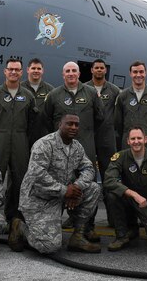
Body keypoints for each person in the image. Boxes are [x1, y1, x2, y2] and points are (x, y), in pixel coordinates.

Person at [9, 114, 101, 254]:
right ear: (60, 125)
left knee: (93, 188)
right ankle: (20, 227)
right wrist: (65, 191)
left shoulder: (77, 147)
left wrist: (77, 187)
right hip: (39, 198)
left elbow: (88, 168)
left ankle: (78, 236)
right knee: (49, 246)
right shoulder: (44, 144)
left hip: (63, 195)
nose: (73, 127)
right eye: (69, 124)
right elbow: (37, 175)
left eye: (76, 125)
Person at [43, 61, 107, 239]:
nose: (71, 74)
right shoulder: (54, 95)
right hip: (60, 149)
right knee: (60, 182)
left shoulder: (91, 93)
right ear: (63, 74)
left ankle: (88, 226)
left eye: (74, 71)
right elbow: (46, 119)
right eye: (67, 71)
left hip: (85, 147)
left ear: (79, 74)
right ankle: (57, 221)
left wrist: (86, 132)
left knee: (88, 184)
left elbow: (100, 117)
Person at [0, 58, 38, 221]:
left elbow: (33, 122)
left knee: (20, 180)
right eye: (10, 69)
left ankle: (15, 219)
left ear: (21, 72)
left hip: (20, 142)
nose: (13, 72)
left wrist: (24, 139)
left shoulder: (28, 96)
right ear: (5, 71)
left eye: (16, 70)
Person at [103, 127, 147, 251]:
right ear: (128, 141)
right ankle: (122, 235)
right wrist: (133, 194)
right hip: (129, 199)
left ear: (145, 139)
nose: (136, 141)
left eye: (139, 138)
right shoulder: (120, 157)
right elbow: (109, 180)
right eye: (133, 138)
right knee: (112, 194)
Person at [85, 58, 120, 225]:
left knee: (110, 177)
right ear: (91, 70)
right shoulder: (84, 88)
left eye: (102, 68)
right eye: (96, 68)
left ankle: (113, 217)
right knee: (87, 177)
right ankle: (85, 218)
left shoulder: (113, 90)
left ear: (105, 70)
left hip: (107, 139)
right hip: (89, 138)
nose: (99, 70)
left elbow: (120, 113)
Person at [113, 61, 147, 154]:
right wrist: (127, 135)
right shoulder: (123, 96)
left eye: (141, 72)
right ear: (130, 74)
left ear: (145, 73)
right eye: (135, 72)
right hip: (128, 145)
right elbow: (118, 122)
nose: (138, 75)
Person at [22, 58, 54, 139]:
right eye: (33, 68)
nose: (36, 71)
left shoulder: (50, 90)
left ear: (42, 71)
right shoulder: (20, 88)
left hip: (43, 136)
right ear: (28, 70)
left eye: (39, 68)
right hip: (23, 135)